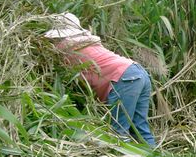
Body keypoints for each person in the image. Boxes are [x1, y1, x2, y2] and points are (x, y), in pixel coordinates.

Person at [44, 12, 156, 146]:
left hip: (124, 78)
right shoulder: (89, 43)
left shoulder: (63, 49)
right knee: (140, 127)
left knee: (118, 132)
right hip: (137, 72)